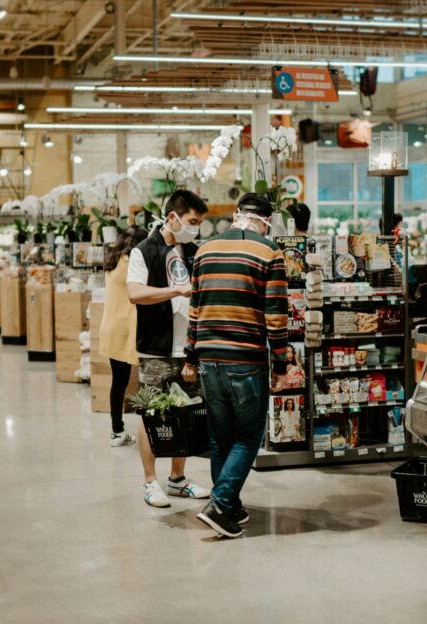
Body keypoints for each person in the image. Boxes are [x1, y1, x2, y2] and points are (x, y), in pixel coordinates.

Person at [182, 193, 288, 538]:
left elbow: (194, 309)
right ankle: (220, 502)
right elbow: (275, 314)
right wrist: (281, 363)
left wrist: (190, 356)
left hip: (209, 357)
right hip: (246, 358)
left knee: (220, 436)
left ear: (236, 214)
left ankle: (230, 507)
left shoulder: (204, 250)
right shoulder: (270, 252)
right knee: (248, 436)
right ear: (266, 221)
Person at [126, 190, 212, 508]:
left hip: (189, 347)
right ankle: (150, 481)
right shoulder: (144, 251)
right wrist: (174, 290)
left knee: (185, 413)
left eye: (199, 223)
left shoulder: (194, 251)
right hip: (157, 347)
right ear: (173, 217)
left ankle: (177, 479)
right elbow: (135, 293)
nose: (195, 228)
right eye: (192, 221)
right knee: (153, 414)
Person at [97, 225, 148, 447]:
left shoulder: (113, 261)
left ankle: (117, 431)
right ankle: (151, 431)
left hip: (111, 326)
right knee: (146, 380)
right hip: (129, 327)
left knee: (118, 381)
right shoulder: (131, 264)